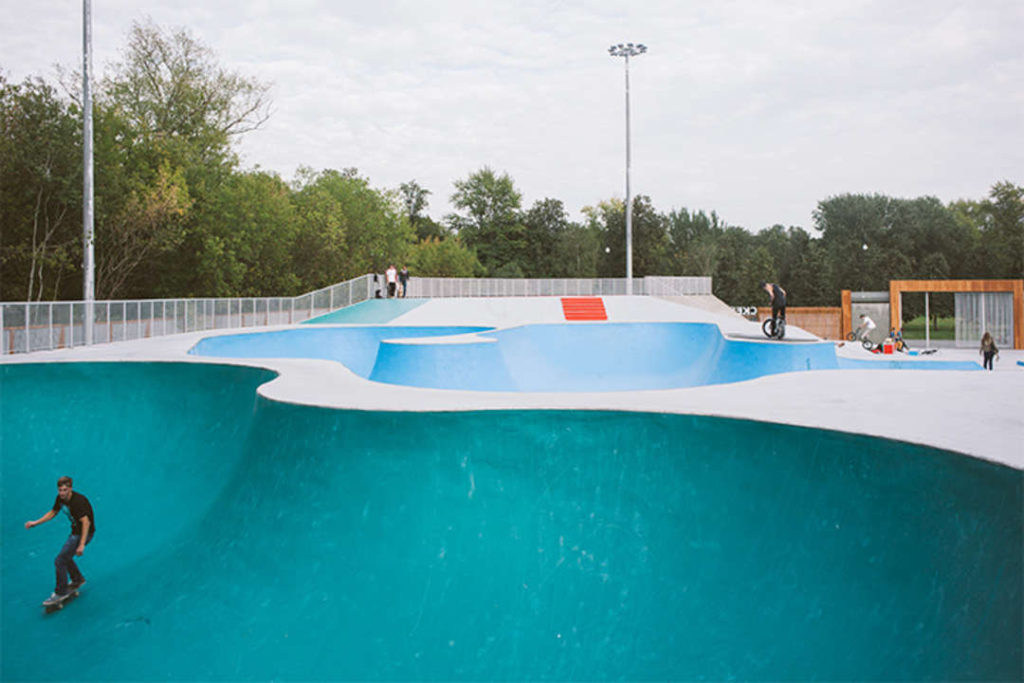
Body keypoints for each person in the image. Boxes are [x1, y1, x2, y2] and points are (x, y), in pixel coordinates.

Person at [25, 476, 96, 606]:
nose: (62, 493)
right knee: (66, 557)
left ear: (70, 489)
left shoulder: (78, 502)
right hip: (75, 532)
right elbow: (53, 512)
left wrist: (81, 545)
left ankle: (61, 592)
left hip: (84, 533)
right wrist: (36, 522)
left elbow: (86, 522)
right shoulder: (60, 499)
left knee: (60, 560)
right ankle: (77, 579)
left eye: (65, 490)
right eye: (60, 490)